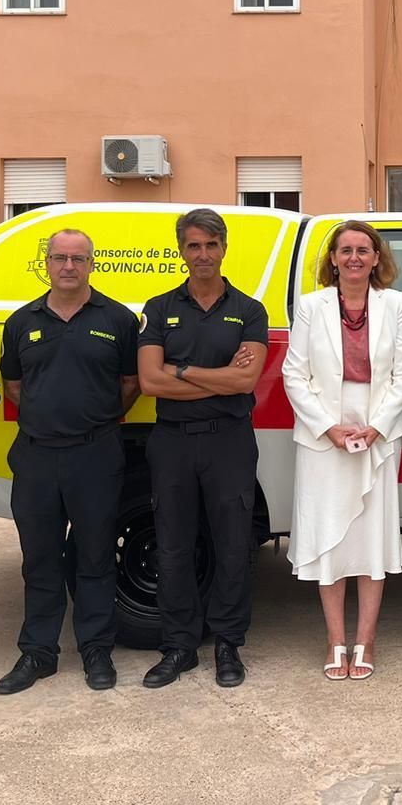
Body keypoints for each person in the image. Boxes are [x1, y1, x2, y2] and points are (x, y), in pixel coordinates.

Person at [0, 228, 139, 694]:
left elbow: (130, 383)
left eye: (79, 258)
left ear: (92, 263)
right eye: (61, 258)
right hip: (37, 456)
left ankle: (96, 649)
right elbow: (15, 386)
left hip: (96, 454)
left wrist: (95, 419)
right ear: (48, 264)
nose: (69, 266)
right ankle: (38, 652)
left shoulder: (117, 319)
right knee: (39, 558)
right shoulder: (22, 322)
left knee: (95, 557)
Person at [137, 209, 269, 689]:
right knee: (173, 546)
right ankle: (178, 646)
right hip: (172, 442)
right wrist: (217, 379)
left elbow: (246, 379)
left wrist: (183, 369)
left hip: (229, 441)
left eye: (211, 245)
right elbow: (151, 381)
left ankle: (229, 643)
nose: (203, 254)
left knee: (233, 543)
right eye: (194, 246)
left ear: (224, 247)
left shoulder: (249, 309)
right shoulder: (158, 306)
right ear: (181, 250)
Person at [283, 220, 402, 682]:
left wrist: (378, 426)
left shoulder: (394, 304)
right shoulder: (310, 306)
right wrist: (329, 428)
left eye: (364, 249)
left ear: (377, 258)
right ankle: (335, 639)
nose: (355, 257)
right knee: (329, 540)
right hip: (324, 435)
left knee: (370, 539)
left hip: (378, 432)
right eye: (346, 250)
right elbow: (294, 374)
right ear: (333, 259)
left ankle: (367, 640)